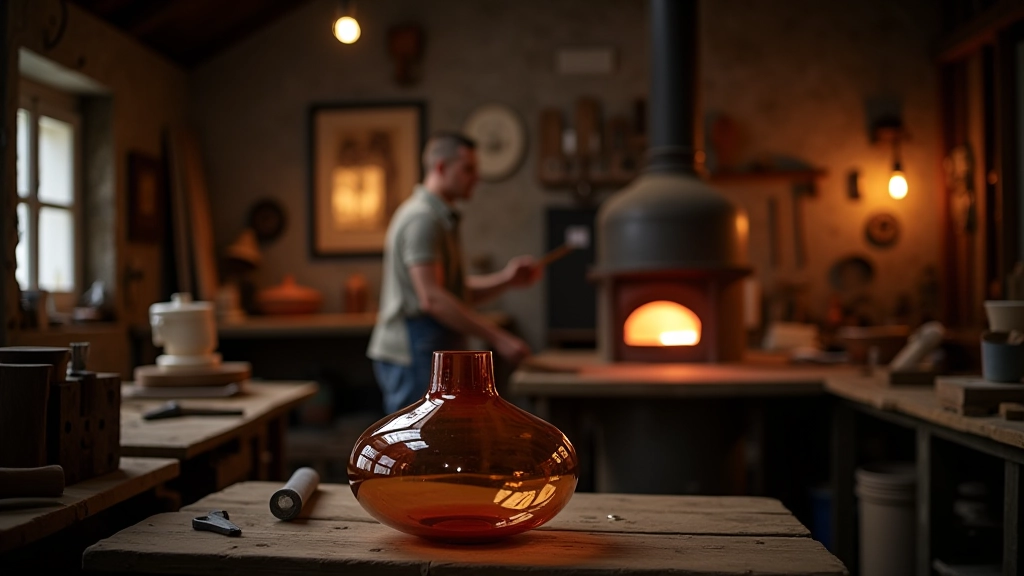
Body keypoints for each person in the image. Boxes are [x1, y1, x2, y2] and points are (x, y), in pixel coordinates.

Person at [367, 132, 540, 413]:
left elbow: (450, 293)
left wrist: (507, 280)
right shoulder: (422, 219)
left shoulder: (439, 218)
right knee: (416, 440)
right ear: (440, 167)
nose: (476, 178)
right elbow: (433, 299)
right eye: (468, 169)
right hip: (413, 351)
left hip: (428, 344)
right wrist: (498, 338)